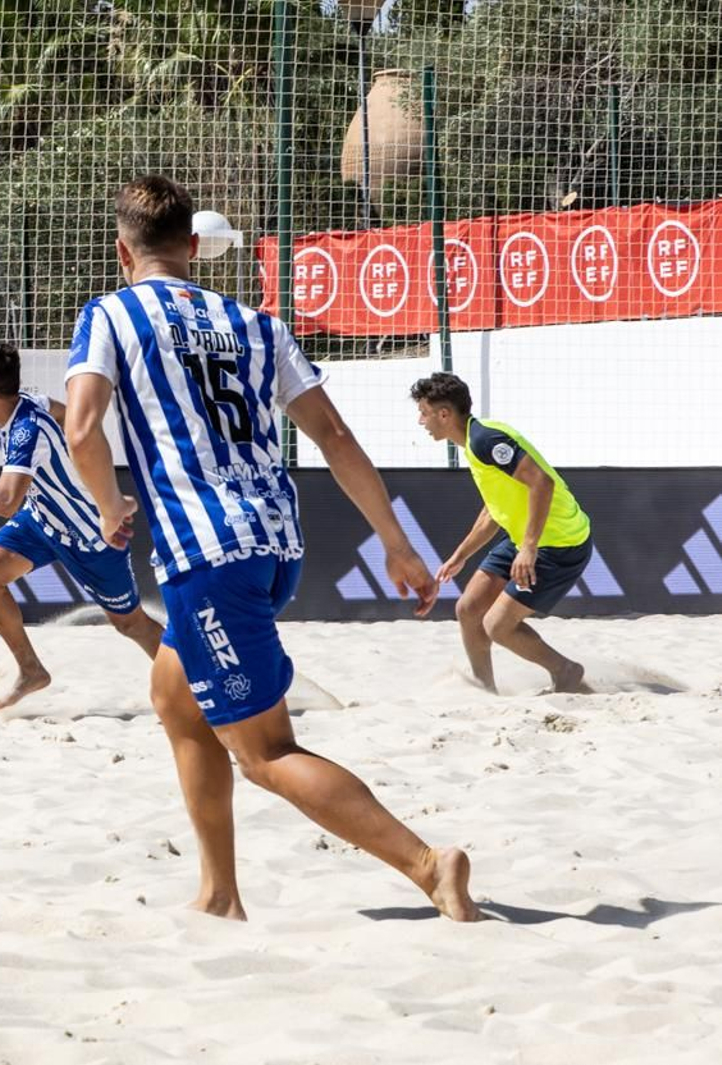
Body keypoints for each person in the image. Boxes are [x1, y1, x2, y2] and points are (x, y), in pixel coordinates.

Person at [63, 175, 479, 922]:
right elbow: (335, 438)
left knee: (265, 754)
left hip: (207, 554)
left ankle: (428, 865)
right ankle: (219, 895)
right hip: (275, 543)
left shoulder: (110, 314)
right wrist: (395, 542)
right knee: (175, 697)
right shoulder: (259, 326)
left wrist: (108, 506)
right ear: (194, 247)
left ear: (120, 251)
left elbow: (83, 430)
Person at [0, 342, 163, 710]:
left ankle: (193, 684)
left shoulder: (24, 432)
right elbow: (71, 417)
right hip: (42, 519)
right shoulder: (30, 402)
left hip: (89, 535)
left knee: (132, 624)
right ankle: (31, 669)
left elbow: (6, 502)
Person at [411, 371, 592, 694]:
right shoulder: (473, 441)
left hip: (560, 542)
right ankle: (485, 689)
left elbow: (542, 482)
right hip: (526, 538)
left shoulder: (485, 440)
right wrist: (460, 555)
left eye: (424, 412)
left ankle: (566, 671)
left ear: (444, 414)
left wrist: (529, 549)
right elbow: (493, 511)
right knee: (468, 609)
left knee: (497, 625)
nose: (420, 421)